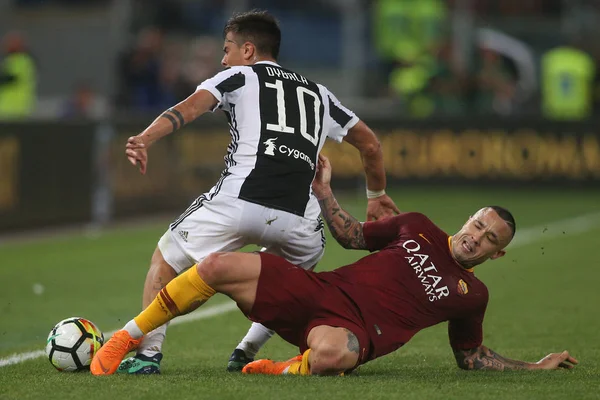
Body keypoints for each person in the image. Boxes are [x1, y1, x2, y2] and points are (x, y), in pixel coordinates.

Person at [91, 154, 578, 376]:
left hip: (351, 331)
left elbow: (471, 358)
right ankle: (127, 337)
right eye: (478, 225)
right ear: (469, 219)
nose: (476, 237)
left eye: (489, 239)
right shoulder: (417, 225)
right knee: (217, 265)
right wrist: (324, 191)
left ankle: (281, 368)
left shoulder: (474, 296)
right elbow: (352, 236)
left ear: (497, 254)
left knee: (335, 356)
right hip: (317, 291)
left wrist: (534, 365)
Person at [119, 10, 399, 375]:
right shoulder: (319, 94)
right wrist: (376, 194)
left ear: (248, 51)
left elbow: (189, 108)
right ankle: (245, 350)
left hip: (237, 204)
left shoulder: (237, 75)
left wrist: (144, 138)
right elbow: (372, 145)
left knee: (166, 259)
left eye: (227, 48)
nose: (223, 58)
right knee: (290, 277)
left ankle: (147, 356)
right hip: (298, 221)